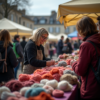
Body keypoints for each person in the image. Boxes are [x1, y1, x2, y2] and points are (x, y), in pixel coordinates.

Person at [72, 16, 100, 100]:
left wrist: (73, 63)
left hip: (91, 88)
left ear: (81, 29)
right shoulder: (97, 40)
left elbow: (80, 71)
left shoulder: (86, 45)